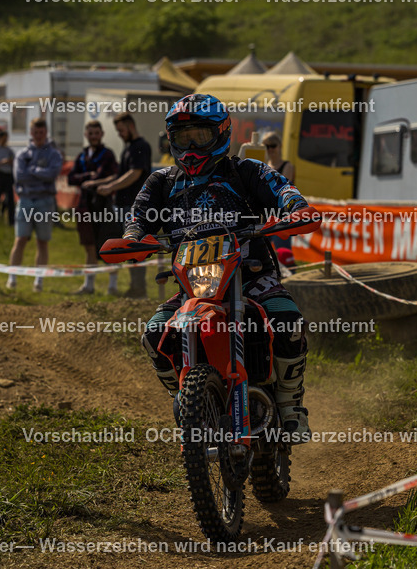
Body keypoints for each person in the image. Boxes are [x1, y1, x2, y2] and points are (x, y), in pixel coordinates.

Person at [123, 93, 316, 439]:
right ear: (172, 141)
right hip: (192, 286)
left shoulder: (245, 171)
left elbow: (283, 189)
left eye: (201, 136)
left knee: (288, 321)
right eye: (184, 138)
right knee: (154, 335)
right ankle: (185, 400)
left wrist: (295, 208)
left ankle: (290, 405)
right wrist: (135, 235)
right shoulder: (162, 182)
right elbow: (139, 216)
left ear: (222, 133)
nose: (192, 146)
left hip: (251, 275)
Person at [85, 112, 152, 297]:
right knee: (129, 247)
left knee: (135, 247)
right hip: (123, 206)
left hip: (134, 206)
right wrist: (100, 184)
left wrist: (110, 187)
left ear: (130, 126)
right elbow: (121, 173)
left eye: (121, 130)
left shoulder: (141, 146)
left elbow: (134, 173)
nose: (120, 134)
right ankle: (135, 287)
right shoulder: (129, 147)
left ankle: (139, 289)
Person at [7, 118, 63, 292]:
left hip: (45, 201)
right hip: (25, 200)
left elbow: (53, 173)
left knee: (42, 242)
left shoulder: (53, 153)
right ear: (31, 133)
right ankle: (12, 277)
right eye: (35, 132)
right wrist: (41, 173)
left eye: (41, 132)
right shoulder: (22, 154)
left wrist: (32, 170)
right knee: (20, 239)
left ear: (45, 133)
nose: (38, 136)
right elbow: (20, 176)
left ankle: (39, 280)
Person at [67, 120, 119, 294]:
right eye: (91, 133)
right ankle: (88, 285)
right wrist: (88, 176)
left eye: (96, 133)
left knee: (109, 245)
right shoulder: (82, 155)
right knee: (88, 245)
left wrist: (90, 181)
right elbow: (70, 178)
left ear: (102, 134)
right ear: (86, 135)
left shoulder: (108, 154)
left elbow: (111, 175)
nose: (94, 136)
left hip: (104, 207)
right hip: (84, 206)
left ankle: (113, 286)